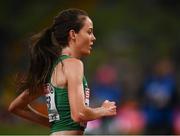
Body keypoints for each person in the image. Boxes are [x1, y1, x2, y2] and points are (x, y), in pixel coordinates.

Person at [8, 8, 117, 135]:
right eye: (89, 32)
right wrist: (103, 110)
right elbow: (79, 114)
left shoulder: (51, 69)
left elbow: (16, 107)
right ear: (73, 34)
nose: (93, 38)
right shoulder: (74, 64)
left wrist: (56, 125)